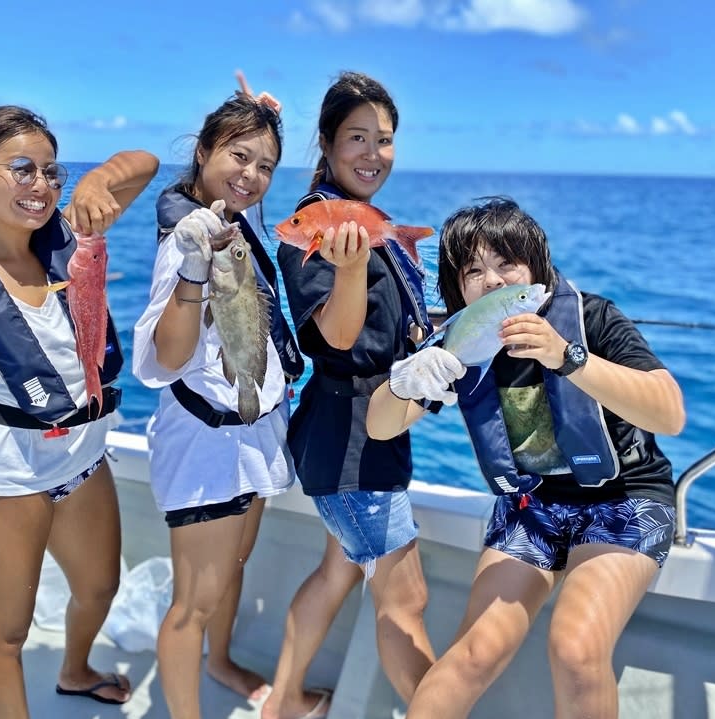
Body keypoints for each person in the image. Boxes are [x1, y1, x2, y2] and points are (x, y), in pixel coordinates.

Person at [366, 197, 686, 719]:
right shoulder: (458, 344)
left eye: (506, 264)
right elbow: (379, 428)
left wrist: (568, 357)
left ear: (535, 268)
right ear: (457, 288)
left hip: (625, 499)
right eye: (474, 271)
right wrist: (406, 382)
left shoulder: (590, 318)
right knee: (471, 655)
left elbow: (669, 414)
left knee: (576, 650)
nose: (492, 282)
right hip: (529, 506)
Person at [0, 105, 159, 716]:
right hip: (1, 481)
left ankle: (74, 671)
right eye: (21, 169)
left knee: (100, 587)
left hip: (81, 460)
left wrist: (98, 182)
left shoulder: (70, 238)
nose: (40, 186)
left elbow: (145, 163)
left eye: (51, 171)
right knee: (5, 634)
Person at [261, 71, 436, 719]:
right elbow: (333, 338)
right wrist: (354, 264)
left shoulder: (376, 223)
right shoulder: (313, 226)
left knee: (337, 571)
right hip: (352, 445)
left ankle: (280, 703)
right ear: (328, 145)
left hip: (370, 434)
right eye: (356, 138)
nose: (371, 152)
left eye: (384, 139)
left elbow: (396, 325)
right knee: (404, 601)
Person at [131, 91, 303, 719]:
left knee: (232, 569)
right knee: (192, 605)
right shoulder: (187, 237)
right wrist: (194, 274)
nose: (251, 176)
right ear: (202, 152)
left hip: (253, 430)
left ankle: (221, 662)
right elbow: (166, 358)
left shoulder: (241, 217)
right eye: (237, 156)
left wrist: (259, 108)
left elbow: (250, 186)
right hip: (206, 443)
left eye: (265, 167)